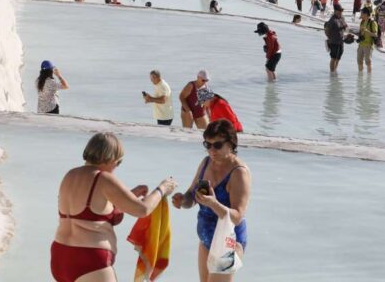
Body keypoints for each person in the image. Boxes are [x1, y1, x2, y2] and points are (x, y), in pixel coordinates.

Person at [51, 133, 177, 282]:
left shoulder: (69, 176)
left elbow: (92, 213)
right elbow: (142, 210)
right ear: (110, 158)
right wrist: (162, 189)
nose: (116, 167)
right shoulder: (103, 178)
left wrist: (131, 195)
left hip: (60, 256)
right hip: (90, 260)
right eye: (118, 162)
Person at [171, 120, 251, 282]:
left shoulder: (238, 173)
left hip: (228, 240)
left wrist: (213, 203)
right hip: (207, 238)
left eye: (218, 145)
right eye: (207, 145)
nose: (212, 150)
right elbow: (192, 197)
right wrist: (182, 201)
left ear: (231, 143)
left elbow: (237, 217)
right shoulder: (206, 163)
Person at [324, 4, 348, 73]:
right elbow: (326, 30)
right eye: (339, 10)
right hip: (333, 42)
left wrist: (346, 34)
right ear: (335, 11)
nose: (341, 12)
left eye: (341, 10)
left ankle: (335, 70)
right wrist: (330, 38)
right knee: (333, 58)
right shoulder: (332, 20)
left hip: (341, 41)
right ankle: (332, 72)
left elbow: (346, 27)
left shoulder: (342, 18)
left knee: (338, 58)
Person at [357, 8, 378, 73]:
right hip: (361, 44)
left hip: (368, 45)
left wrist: (367, 31)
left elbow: (375, 35)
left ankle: (369, 79)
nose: (361, 15)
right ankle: (360, 77)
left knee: (367, 62)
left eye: (361, 13)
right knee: (359, 61)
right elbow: (360, 33)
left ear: (365, 14)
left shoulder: (372, 23)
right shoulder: (362, 22)